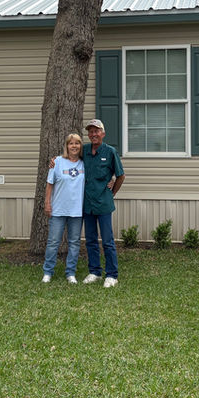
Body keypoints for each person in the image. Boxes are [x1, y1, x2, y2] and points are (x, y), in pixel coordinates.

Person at [80, 119, 124, 288]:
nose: (93, 134)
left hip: (104, 203)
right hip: (88, 203)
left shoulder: (110, 151)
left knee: (107, 241)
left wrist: (112, 192)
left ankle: (112, 275)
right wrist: (55, 159)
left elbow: (121, 175)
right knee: (90, 240)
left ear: (103, 134)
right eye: (90, 131)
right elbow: (69, 156)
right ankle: (94, 272)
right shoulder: (84, 150)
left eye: (96, 131)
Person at [42, 133, 85, 283]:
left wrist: (111, 180)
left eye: (77, 143)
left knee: (74, 242)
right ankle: (48, 272)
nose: (74, 146)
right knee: (53, 242)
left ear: (81, 146)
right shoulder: (58, 162)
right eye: (71, 143)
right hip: (58, 209)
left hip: (77, 210)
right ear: (66, 146)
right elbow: (49, 183)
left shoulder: (84, 163)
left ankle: (70, 273)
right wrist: (47, 203)